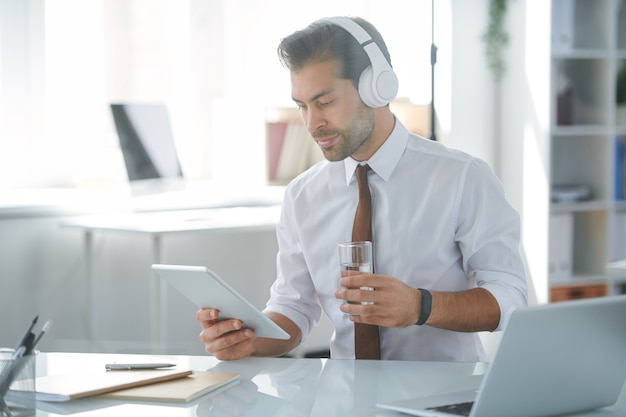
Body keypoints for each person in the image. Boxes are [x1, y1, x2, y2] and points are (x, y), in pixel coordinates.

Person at [197, 16, 528, 361]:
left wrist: (421, 306)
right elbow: (293, 307)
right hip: (345, 399)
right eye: (302, 106)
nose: (312, 123)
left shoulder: (462, 178)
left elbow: (510, 297)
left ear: (377, 88)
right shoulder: (302, 195)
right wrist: (248, 337)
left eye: (324, 102)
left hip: (442, 399)